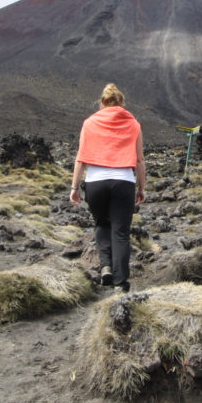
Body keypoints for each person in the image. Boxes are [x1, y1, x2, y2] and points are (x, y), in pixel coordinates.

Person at [70, 83, 146, 292]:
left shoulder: (89, 123)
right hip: (124, 182)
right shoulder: (134, 124)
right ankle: (120, 284)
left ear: (102, 103)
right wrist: (142, 188)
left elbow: (81, 158)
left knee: (101, 223)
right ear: (121, 103)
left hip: (96, 182)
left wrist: (74, 187)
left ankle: (105, 267)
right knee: (121, 232)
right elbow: (139, 160)